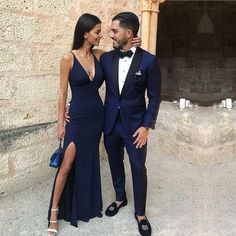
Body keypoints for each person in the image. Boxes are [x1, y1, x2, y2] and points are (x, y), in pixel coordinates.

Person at [47, 13, 141, 236]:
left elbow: (124, 56)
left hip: (96, 118)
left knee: (88, 161)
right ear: (85, 33)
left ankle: (86, 205)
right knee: (66, 164)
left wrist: (136, 43)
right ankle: (53, 212)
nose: (102, 35)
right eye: (98, 31)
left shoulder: (100, 56)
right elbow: (61, 94)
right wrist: (61, 123)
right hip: (77, 118)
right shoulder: (68, 58)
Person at [100, 12, 161, 236]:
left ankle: (141, 213)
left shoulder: (148, 61)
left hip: (136, 127)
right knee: (115, 162)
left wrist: (146, 126)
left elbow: (155, 97)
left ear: (129, 33)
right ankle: (120, 198)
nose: (110, 35)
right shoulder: (106, 59)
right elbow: (88, 80)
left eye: (114, 31)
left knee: (137, 167)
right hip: (111, 125)